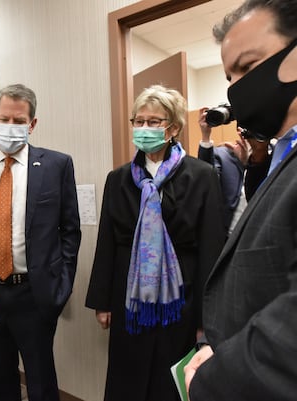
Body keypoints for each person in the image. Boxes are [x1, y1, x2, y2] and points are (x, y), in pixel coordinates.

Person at [184, 2, 297, 400]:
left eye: (248, 67)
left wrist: (216, 377)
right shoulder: (283, 155)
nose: (238, 87)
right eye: (231, 76)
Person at [85, 84, 226, 401]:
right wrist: (103, 302)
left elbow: (211, 249)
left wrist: (207, 321)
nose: (144, 128)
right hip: (129, 300)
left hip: (181, 300)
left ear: (173, 127)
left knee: (169, 384)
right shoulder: (118, 178)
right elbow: (107, 241)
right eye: (139, 121)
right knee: (128, 381)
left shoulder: (202, 175)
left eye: (154, 122)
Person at [0, 83, 81, 401]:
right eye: (5, 119)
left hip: (35, 295)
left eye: (19, 121)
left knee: (41, 380)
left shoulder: (57, 165)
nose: (11, 127)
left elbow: (70, 229)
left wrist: (60, 286)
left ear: (32, 124)